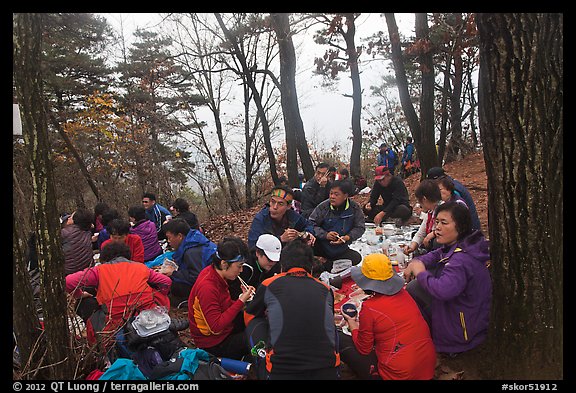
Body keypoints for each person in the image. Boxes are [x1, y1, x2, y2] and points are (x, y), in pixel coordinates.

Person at [244, 240, 341, 380]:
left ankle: (261, 366)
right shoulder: (325, 289)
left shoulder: (269, 284)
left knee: (254, 324)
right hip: (328, 369)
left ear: (282, 265)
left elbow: (249, 315)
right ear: (311, 267)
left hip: (281, 371)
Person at [403, 201, 491, 354]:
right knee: (414, 288)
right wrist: (417, 262)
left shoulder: (462, 260)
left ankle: (442, 344)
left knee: (414, 289)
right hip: (462, 311)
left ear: (460, 226)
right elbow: (437, 254)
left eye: (444, 223)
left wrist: (421, 272)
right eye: (436, 222)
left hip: (462, 331)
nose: (437, 227)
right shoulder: (463, 243)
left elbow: (443, 291)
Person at [338, 253, 436, 380]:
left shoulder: (369, 308)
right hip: (427, 364)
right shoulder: (404, 294)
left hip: (399, 373)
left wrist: (352, 322)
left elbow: (364, 348)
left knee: (341, 339)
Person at [66, 241, 171, 351]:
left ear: (104, 258)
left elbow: (68, 282)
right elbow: (166, 281)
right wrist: (161, 293)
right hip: (147, 318)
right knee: (155, 291)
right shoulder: (141, 268)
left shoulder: (98, 271)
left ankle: (99, 345)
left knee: (85, 303)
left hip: (114, 324)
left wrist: (79, 295)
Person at [188, 237, 255, 360]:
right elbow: (216, 326)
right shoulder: (207, 287)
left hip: (224, 329)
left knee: (254, 319)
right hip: (213, 343)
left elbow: (223, 305)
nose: (241, 270)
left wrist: (240, 299)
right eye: (239, 266)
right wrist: (240, 302)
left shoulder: (215, 273)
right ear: (224, 264)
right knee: (255, 336)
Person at [309, 180, 365, 272]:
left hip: (341, 248)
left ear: (345, 196)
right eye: (331, 193)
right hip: (322, 247)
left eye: (336, 194)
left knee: (356, 258)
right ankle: (325, 263)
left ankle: (327, 264)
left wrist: (347, 237)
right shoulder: (323, 207)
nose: (332, 197)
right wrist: (326, 235)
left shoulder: (354, 208)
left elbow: (360, 227)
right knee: (306, 251)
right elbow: (311, 224)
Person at [161, 218, 217, 306]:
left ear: (180, 236)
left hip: (212, 285)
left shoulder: (192, 252)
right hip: (211, 278)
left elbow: (197, 277)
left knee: (174, 285)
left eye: (169, 238)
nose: (168, 241)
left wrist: (174, 273)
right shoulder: (195, 239)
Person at [247, 185, 316, 249]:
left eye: (280, 204)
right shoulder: (260, 219)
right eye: (273, 202)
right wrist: (280, 239)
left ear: (288, 206)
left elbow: (308, 224)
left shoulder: (291, 215)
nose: (275, 207)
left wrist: (308, 233)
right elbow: (253, 246)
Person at [230, 234, 282, 300]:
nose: (273, 263)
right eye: (270, 259)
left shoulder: (276, 266)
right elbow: (234, 293)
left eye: (276, 260)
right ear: (257, 253)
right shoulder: (245, 268)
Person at [401, 179, 444, 255]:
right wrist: (413, 246)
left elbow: (445, 231)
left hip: (442, 245)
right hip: (430, 241)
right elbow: (421, 232)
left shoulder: (444, 210)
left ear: (424, 199)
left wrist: (433, 234)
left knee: (435, 242)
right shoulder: (431, 211)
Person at [62, 208, 95, 275]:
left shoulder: (65, 233)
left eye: (71, 217)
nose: (68, 218)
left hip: (70, 271)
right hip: (87, 269)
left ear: (75, 221)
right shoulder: (87, 231)